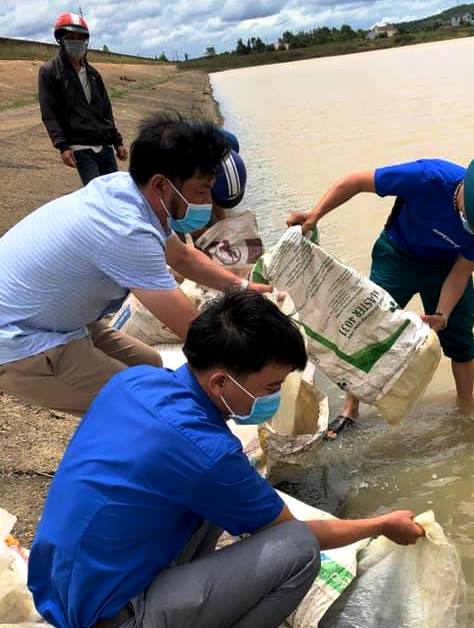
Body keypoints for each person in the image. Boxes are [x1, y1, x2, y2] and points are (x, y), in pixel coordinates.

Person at [28, 290, 424, 628]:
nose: (273, 397)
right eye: (270, 387)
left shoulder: (136, 381)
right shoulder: (206, 451)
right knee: (297, 550)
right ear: (220, 382)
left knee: (225, 499)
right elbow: (294, 533)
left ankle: (159, 623)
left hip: (64, 598)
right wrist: (381, 525)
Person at [0, 113, 275, 416]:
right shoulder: (127, 231)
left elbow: (182, 257)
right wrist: (259, 371)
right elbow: (194, 331)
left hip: (56, 320)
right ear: (161, 184)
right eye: (203, 190)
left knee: (152, 365)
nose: (208, 203)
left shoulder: (129, 189)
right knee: (144, 407)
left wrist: (243, 287)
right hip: (22, 343)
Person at [287, 155, 474, 439]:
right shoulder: (427, 177)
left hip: (446, 268)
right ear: (466, 196)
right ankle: (351, 409)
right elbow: (354, 182)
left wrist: (442, 314)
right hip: (397, 255)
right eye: (472, 225)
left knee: (460, 339)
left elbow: (463, 270)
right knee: (368, 330)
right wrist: (315, 214)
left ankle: (466, 408)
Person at [38, 13, 127, 186]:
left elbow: (106, 109)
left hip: (104, 144)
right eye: (71, 37)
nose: (77, 42)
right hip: (80, 146)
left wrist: (117, 142)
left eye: (81, 37)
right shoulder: (50, 72)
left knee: (115, 193)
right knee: (96, 195)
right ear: (61, 40)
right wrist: (63, 147)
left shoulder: (93, 74)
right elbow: (49, 113)